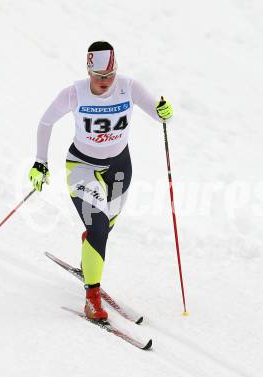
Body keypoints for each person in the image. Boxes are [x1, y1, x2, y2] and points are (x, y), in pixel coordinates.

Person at [29, 41, 173, 321]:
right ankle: (92, 298)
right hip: (82, 167)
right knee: (98, 228)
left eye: (109, 76)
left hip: (119, 167)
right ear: (88, 71)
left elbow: (159, 113)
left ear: (116, 70)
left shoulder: (129, 87)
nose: (104, 82)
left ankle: (88, 260)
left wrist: (165, 112)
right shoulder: (74, 93)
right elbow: (46, 123)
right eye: (98, 76)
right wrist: (40, 162)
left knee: (105, 227)